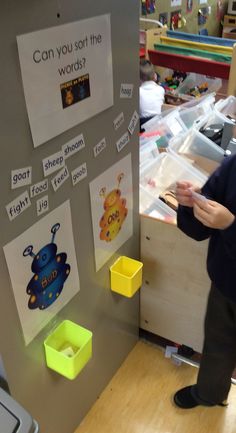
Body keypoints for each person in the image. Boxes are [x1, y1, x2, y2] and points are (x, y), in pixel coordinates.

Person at [174, 153, 236, 409]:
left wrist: (231, 225)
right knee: (217, 342)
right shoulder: (233, 166)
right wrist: (192, 204)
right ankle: (209, 394)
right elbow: (200, 230)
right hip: (225, 283)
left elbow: (226, 223)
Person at [139, 59, 165, 130]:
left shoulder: (139, 92)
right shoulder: (161, 89)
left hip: (143, 126)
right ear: (155, 76)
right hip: (158, 123)